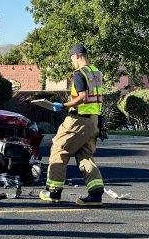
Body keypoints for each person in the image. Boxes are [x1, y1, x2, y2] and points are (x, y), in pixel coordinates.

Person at [39, 44, 105, 206]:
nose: (71, 62)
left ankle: (53, 191)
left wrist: (63, 105)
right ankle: (96, 193)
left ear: (76, 56)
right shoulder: (96, 72)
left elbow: (82, 97)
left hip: (78, 119)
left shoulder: (79, 73)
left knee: (59, 149)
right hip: (94, 120)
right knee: (85, 156)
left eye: (71, 58)